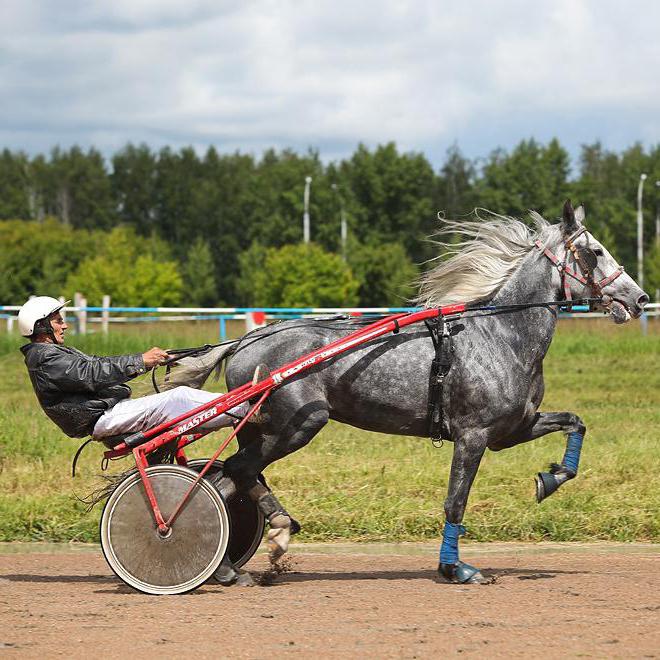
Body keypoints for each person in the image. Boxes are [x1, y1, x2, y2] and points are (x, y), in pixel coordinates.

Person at [18, 296, 247, 441]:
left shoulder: (49, 354)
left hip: (108, 413)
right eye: (58, 321)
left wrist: (151, 361)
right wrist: (140, 360)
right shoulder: (45, 358)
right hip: (102, 418)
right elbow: (92, 373)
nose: (65, 325)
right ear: (41, 326)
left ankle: (239, 409)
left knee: (177, 402)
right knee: (178, 398)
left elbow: (97, 365)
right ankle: (245, 409)